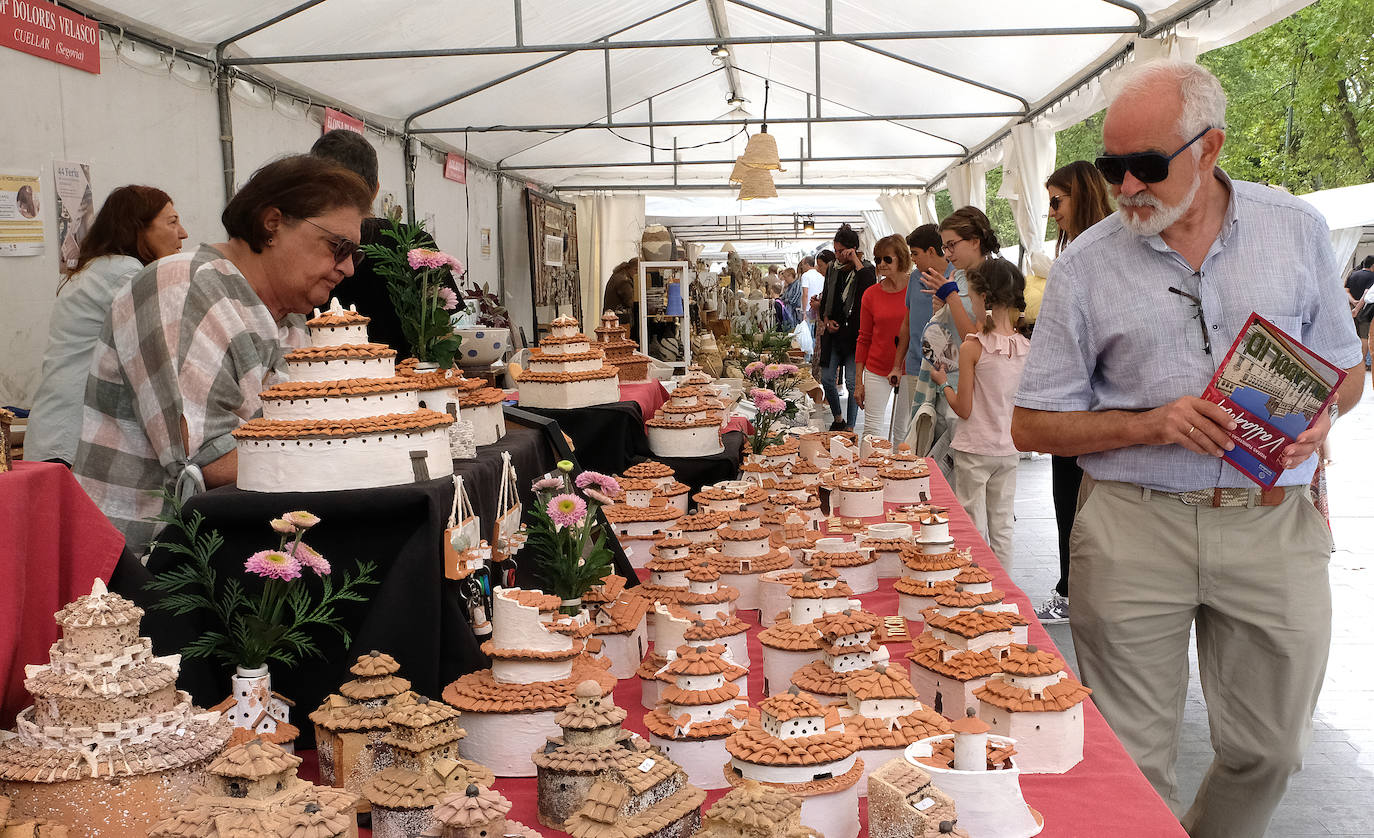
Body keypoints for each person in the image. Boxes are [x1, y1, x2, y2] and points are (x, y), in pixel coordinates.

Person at [1012, 60, 1363, 838]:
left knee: (1271, 751)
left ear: (1211, 148)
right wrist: (1149, 422)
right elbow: (1031, 425)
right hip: (1135, 527)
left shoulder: (1296, 229)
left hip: (1271, 522)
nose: (1128, 185)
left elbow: (1346, 372)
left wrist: (1323, 414)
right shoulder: (1087, 264)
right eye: (1113, 167)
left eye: (1148, 165)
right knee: (1131, 765)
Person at [75, 155, 374, 557]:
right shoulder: (184, 287)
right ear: (273, 224)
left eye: (355, 253)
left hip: (228, 549)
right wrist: (362, 452)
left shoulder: (290, 315)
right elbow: (208, 461)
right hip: (138, 564)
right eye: (339, 247)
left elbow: (299, 431)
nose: (349, 268)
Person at [25, 186, 187, 466]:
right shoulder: (123, 273)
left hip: (59, 431)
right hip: (71, 438)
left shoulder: (102, 268)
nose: (183, 233)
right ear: (139, 230)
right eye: (172, 222)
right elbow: (164, 349)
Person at [1035, 160, 1116, 625]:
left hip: (1091, 405)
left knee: (1079, 501)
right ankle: (1072, 588)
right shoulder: (1075, 249)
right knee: (1068, 500)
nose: (1051, 212)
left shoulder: (1102, 249)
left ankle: (1074, 592)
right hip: (1071, 402)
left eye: (1056, 201)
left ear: (1081, 194)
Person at [312, 129, 449, 355]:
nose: (347, 266)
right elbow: (443, 331)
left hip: (317, 382)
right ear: (376, 189)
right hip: (410, 383)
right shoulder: (416, 243)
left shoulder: (307, 246)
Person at [930, 259, 1028, 566]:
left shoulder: (973, 347)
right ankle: (1003, 591)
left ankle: (976, 586)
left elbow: (964, 408)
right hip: (1008, 448)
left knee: (972, 524)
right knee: (1003, 525)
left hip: (974, 449)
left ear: (982, 298)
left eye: (970, 296)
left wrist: (944, 383)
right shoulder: (1026, 347)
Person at [892, 224, 955, 447]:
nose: (913, 260)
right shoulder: (915, 277)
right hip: (915, 364)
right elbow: (907, 322)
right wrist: (898, 364)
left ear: (931, 250)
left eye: (916, 254)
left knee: (944, 429)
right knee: (918, 428)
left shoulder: (955, 277)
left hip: (947, 368)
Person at [817, 224, 875, 430]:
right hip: (833, 334)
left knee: (852, 383)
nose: (837, 255)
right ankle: (838, 418)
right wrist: (825, 318)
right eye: (835, 250)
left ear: (852, 249)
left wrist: (855, 260)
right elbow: (826, 297)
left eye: (841, 250)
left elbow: (868, 286)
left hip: (854, 335)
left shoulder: (866, 268)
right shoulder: (833, 268)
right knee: (826, 378)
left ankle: (850, 426)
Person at [853, 234, 911, 442]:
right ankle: (870, 472)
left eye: (887, 259)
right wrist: (858, 382)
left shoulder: (916, 289)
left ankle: (901, 472)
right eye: (878, 259)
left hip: (908, 368)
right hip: (876, 368)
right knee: (872, 430)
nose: (881, 264)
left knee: (903, 430)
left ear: (901, 258)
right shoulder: (871, 294)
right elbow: (863, 338)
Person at [1345, 253, 1374, 368]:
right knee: (1364, 337)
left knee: (1353, 336)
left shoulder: (1352, 274)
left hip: (1350, 310)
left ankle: (1351, 362)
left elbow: (1345, 290)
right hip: (1366, 311)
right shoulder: (1372, 277)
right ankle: (1361, 364)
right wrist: (1357, 307)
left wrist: (1353, 302)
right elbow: (1367, 293)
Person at [603, 256, 639, 339]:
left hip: (611, 318)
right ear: (635, 269)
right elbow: (631, 302)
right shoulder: (624, 281)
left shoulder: (619, 275)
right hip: (619, 321)